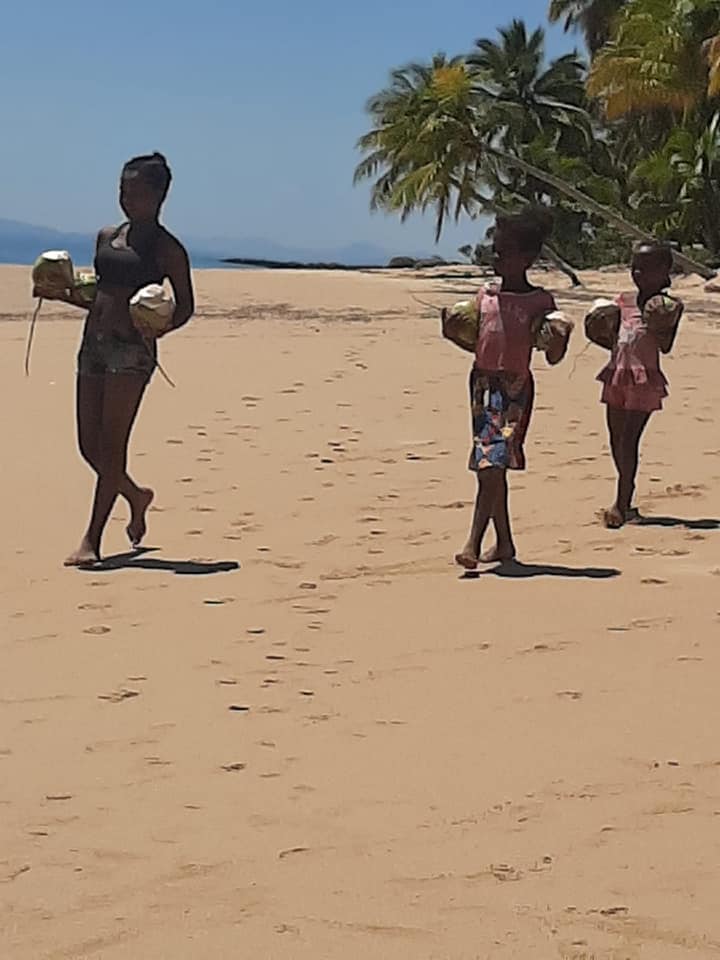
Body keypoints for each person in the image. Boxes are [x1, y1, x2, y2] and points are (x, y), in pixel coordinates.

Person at [46, 153, 195, 565]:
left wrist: (160, 327)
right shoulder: (107, 237)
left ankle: (92, 539)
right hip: (92, 344)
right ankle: (135, 495)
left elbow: (185, 306)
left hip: (132, 353)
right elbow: (100, 295)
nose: (127, 199)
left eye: (136, 192)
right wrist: (62, 293)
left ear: (159, 196)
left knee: (112, 446)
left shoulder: (167, 249)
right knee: (88, 445)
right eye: (123, 191)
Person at [452, 209, 568, 570]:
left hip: (515, 388)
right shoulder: (485, 295)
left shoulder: (540, 302)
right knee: (491, 465)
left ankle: (473, 542)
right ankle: (504, 543)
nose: (497, 258)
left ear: (527, 258)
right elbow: (471, 337)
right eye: (496, 250)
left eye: (505, 252)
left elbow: (553, 355)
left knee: (492, 462)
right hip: (482, 385)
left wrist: (559, 336)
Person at [597, 242, 680, 528]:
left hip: (644, 379)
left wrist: (659, 323)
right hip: (617, 374)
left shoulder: (669, 306)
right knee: (615, 438)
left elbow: (666, 346)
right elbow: (611, 338)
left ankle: (621, 502)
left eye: (646, 268)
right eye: (635, 267)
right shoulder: (623, 301)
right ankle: (626, 489)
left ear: (664, 271)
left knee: (629, 439)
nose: (638, 273)